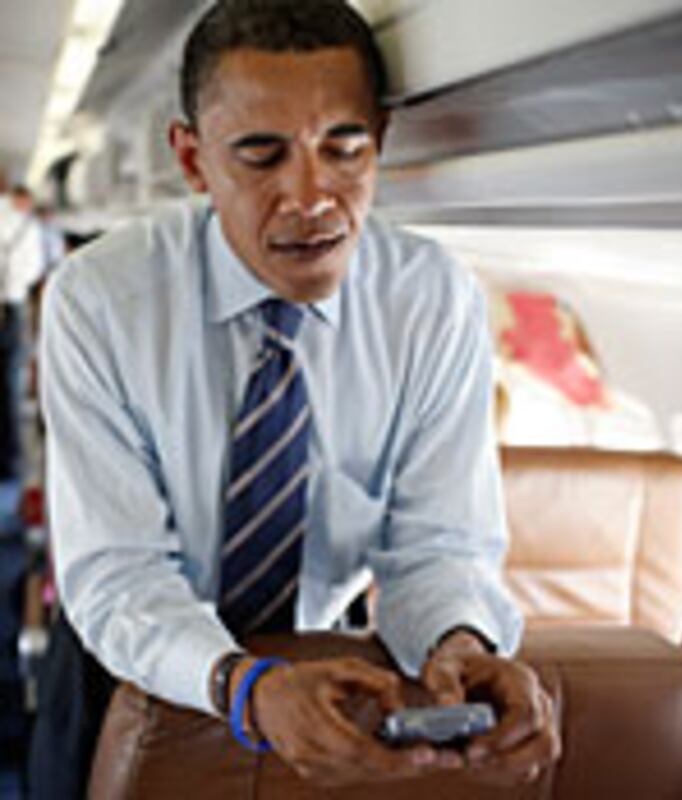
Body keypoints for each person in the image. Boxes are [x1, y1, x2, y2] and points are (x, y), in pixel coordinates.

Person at [30, 0, 560, 795]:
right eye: (261, 155)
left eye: (343, 149)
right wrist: (245, 686)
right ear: (192, 159)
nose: (311, 197)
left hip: (324, 659)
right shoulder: (101, 299)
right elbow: (118, 571)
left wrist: (460, 643)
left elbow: (438, 547)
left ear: (380, 138)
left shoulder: (432, 300)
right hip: (128, 666)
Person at [0, 179, 45, 481]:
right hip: (12, 310)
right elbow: (33, 270)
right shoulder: (27, 226)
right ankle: (11, 464)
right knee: (11, 389)